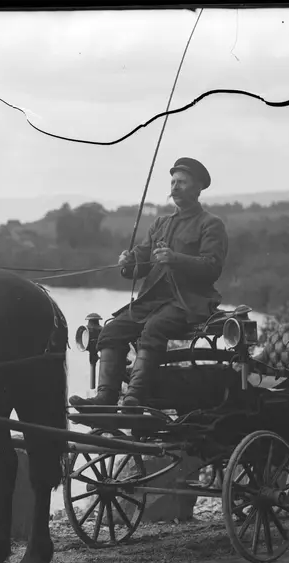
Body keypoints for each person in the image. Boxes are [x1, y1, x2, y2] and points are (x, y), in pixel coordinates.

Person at [70, 157, 230, 408]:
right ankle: (105, 398)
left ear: (198, 188)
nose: (175, 187)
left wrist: (175, 258)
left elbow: (212, 267)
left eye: (182, 182)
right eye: (173, 182)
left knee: (154, 328)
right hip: (153, 300)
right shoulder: (161, 224)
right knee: (113, 330)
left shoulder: (211, 224)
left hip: (189, 302)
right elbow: (141, 262)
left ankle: (135, 399)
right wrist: (128, 263)